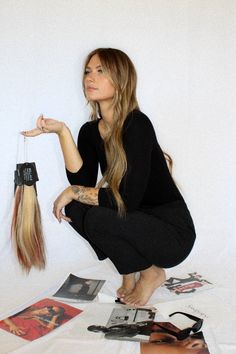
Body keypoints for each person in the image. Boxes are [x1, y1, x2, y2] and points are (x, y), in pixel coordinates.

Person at [22, 47, 196, 306]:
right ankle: (129, 271)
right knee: (77, 207)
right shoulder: (91, 131)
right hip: (134, 220)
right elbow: (80, 180)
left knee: (97, 213)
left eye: (101, 71)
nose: (90, 78)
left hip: (169, 233)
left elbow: (126, 199)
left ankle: (151, 273)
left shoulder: (137, 124)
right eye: (88, 71)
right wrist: (62, 132)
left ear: (121, 79)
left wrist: (72, 192)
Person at [1, 305, 66, 340]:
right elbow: (5, 313)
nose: (48, 309)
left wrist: (55, 317)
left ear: (49, 315)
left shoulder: (38, 319)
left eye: (52, 311)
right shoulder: (30, 307)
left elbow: (48, 329)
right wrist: (12, 325)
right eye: (50, 307)